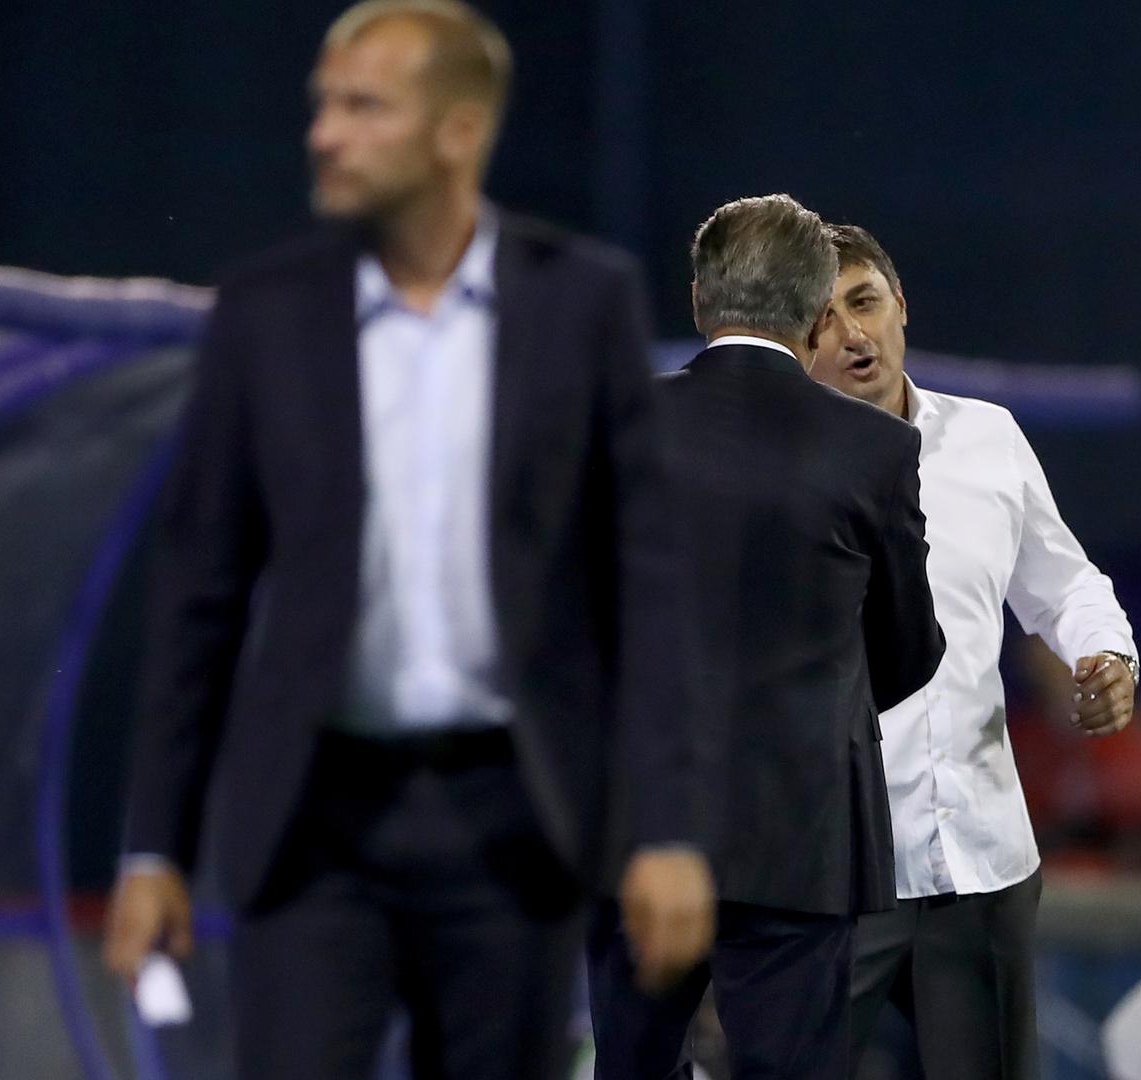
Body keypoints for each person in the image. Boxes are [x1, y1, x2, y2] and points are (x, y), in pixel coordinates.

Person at [100, 3, 715, 1078]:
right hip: (312, 824)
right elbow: (200, 591)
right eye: (322, 106)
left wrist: (666, 830)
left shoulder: (582, 303)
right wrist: (154, 847)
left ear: (456, 133)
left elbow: (645, 589)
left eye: (362, 107)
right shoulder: (265, 312)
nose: (323, 135)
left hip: (514, 819)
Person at [586, 195, 945, 1079]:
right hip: (801, 833)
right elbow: (907, 652)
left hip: (639, 819)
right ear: (819, 314)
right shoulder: (874, 449)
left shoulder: (614, 423)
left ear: (699, 299)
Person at [807, 223, 1140, 1080]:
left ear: (900, 305)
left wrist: (1107, 655)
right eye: (821, 318)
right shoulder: (771, 464)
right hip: (828, 872)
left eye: (863, 302)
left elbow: (1064, 584)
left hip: (979, 864)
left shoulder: (988, 438)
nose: (851, 333)